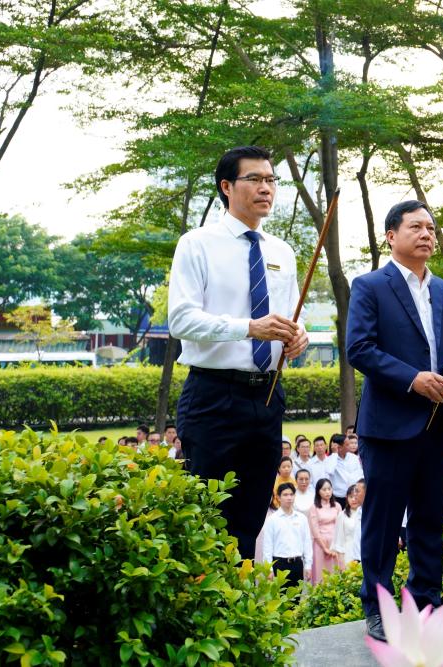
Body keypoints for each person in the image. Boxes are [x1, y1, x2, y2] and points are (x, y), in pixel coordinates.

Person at [168, 145, 309, 560]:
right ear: (227, 187)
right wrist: (248, 328)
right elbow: (180, 320)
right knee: (207, 513)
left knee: (250, 515)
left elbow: (290, 318)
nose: (266, 188)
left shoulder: (282, 251)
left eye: (271, 180)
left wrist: (297, 336)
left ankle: (242, 609)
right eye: (255, 179)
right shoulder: (197, 244)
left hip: (267, 396)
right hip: (213, 395)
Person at [346, 199, 443, 642]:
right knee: (382, 522)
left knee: (428, 519)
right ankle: (378, 607)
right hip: (389, 426)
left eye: (431, 229)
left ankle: (426, 601)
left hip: (439, 424)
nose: (426, 235)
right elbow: (359, 348)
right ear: (391, 236)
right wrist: (413, 379)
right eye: (416, 227)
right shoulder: (369, 286)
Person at [261, 483, 312, 586]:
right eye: (285, 495)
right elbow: (267, 546)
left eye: (291, 494)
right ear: (278, 497)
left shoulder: (302, 518)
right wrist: (269, 569)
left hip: (297, 563)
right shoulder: (272, 520)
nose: (289, 498)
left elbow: (307, 543)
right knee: (279, 599)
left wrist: (308, 565)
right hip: (279, 564)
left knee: (296, 599)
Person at [308, 478, 343, 584]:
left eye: (329, 489)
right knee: (320, 573)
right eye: (324, 489)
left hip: (335, 542)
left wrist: (336, 545)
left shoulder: (337, 506)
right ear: (318, 491)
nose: (327, 492)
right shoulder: (314, 507)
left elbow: (341, 526)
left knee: (335, 572)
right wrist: (325, 548)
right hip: (320, 543)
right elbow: (314, 529)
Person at [328, 433, 362, 510]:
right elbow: (330, 471)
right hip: (338, 498)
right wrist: (334, 454)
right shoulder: (331, 459)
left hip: (354, 495)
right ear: (339, 447)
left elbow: (360, 474)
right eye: (347, 444)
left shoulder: (354, 458)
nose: (350, 446)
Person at [332, 483, 363, 566]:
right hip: (348, 553)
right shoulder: (342, 515)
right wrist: (341, 562)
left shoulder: (366, 514)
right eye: (351, 497)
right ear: (347, 498)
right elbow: (339, 540)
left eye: (356, 497)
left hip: (363, 552)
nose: (353, 499)